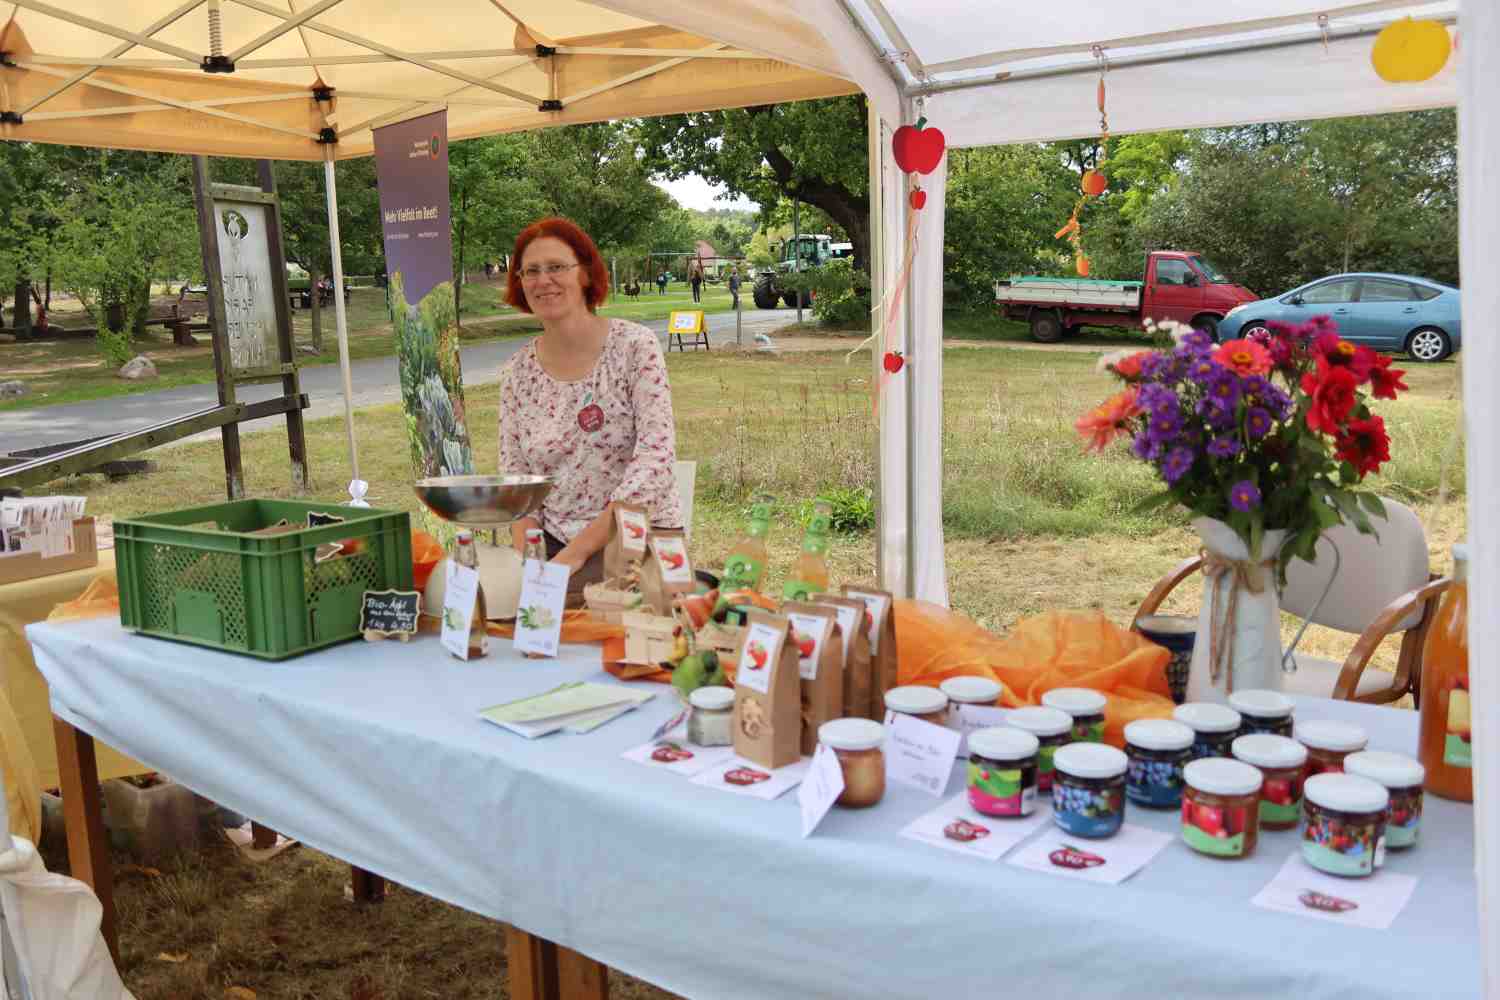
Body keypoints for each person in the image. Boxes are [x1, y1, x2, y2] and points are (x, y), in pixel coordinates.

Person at [499, 218, 683, 599]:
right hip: (551, 548)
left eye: (556, 267)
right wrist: (530, 563)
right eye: (531, 271)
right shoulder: (518, 371)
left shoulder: (635, 347)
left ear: (585, 273)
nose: (542, 280)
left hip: (635, 545)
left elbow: (656, 459)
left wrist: (574, 556)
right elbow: (515, 479)